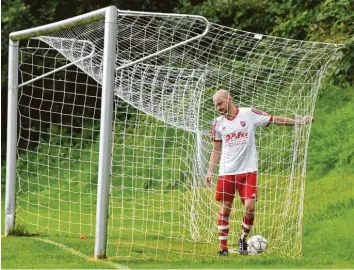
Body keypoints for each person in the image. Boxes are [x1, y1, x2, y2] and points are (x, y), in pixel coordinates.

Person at [206, 89, 313, 256]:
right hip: (227, 171)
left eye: (220, 103)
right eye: (216, 105)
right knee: (225, 208)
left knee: (250, 206)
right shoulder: (217, 124)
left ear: (229, 99)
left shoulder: (249, 114)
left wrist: (299, 121)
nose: (218, 107)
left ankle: (243, 238)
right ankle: (223, 248)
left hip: (248, 170)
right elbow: (216, 150)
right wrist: (210, 171)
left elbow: (274, 119)